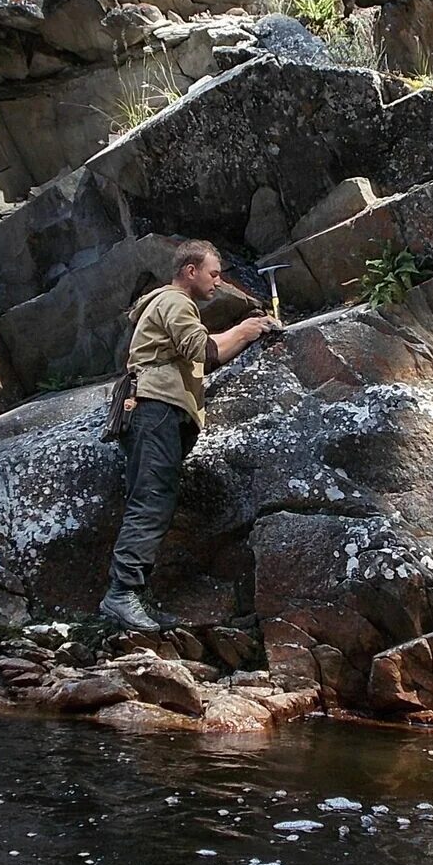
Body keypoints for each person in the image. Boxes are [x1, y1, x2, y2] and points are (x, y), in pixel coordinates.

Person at [101, 240, 277, 632]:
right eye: (214, 273)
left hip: (156, 412)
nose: (219, 281)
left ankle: (131, 597)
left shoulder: (169, 306)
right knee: (151, 498)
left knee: (154, 498)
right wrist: (247, 331)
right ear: (190, 271)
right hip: (154, 409)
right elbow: (203, 351)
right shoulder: (175, 302)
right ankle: (122, 595)